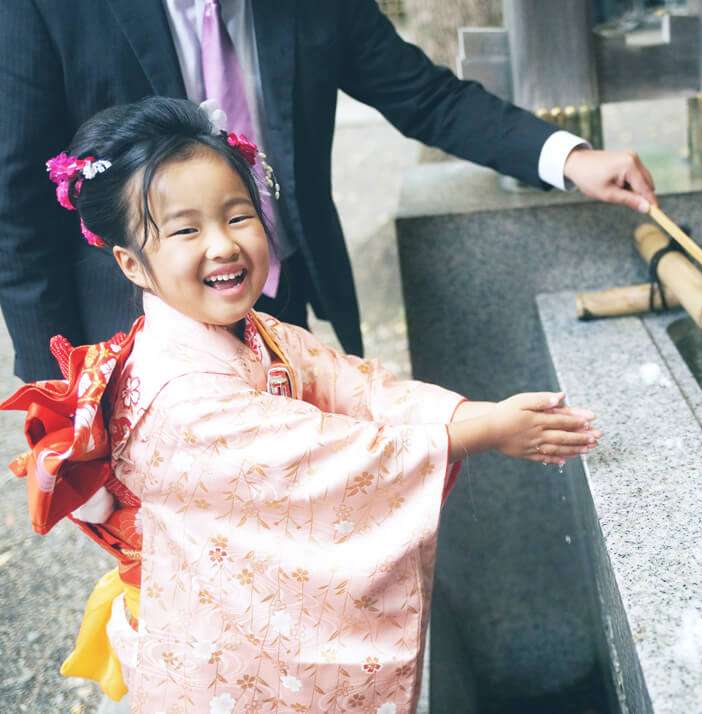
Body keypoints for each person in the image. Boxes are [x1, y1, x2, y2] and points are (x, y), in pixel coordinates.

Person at [1, 97, 602, 711]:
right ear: (133, 264)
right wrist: (479, 433)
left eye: (238, 216)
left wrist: (472, 416)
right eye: (185, 230)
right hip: (221, 659)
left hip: (242, 615)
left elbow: (356, 387)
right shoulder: (179, 395)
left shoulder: (255, 331)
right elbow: (323, 455)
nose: (223, 245)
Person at [0, 0, 657, 383]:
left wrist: (568, 157)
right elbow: (17, 204)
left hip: (279, 304)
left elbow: (423, 96)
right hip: (138, 335)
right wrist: (57, 395)